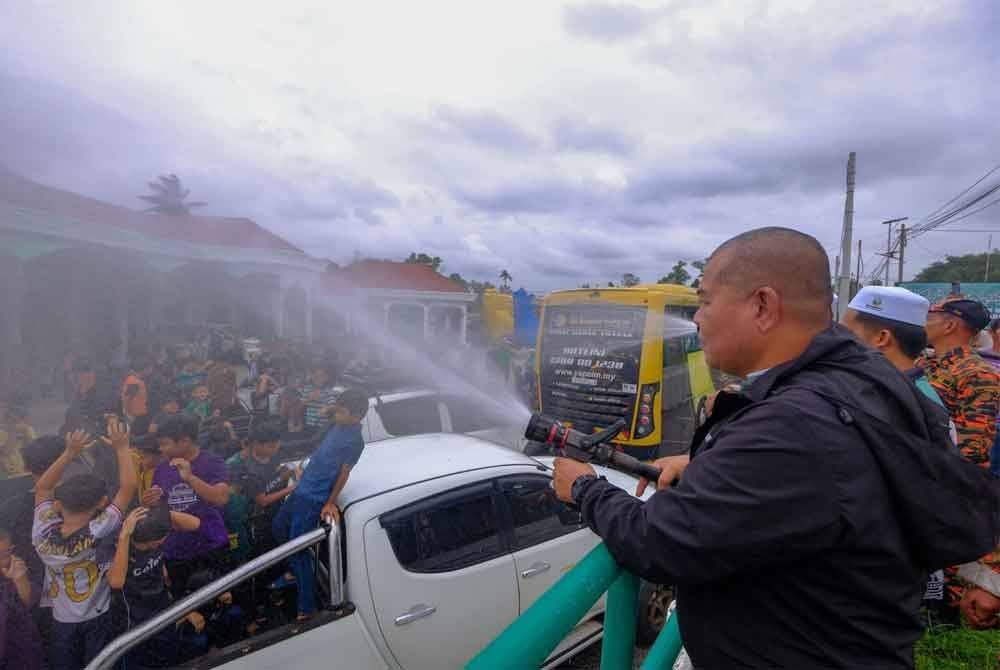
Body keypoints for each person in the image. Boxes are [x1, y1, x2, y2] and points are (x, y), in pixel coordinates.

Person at [551, 227, 998, 668]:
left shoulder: (793, 425)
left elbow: (661, 542)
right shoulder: (862, 378)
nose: (697, 319)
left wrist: (586, 488)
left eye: (705, 301)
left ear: (763, 305)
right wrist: (712, 467)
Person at [32, 420, 136, 670]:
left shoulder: (42, 532)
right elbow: (128, 487)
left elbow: (43, 487)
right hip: (97, 617)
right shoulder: (100, 528)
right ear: (101, 502)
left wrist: (68, 453)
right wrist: (122, 449)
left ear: (59, 503)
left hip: (61, 621)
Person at [272, 388, 368, 621]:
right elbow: (332, 410)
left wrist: (330, 503)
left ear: (356, 416)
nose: (337, 413)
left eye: (342, 411)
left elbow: (344, 473)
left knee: (298, 550)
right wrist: (332, 407)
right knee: (278, 528)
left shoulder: (355, 441)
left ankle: (306, 607)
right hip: (302, 487)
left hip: (313, 498)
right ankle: (296, 573)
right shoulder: (340, 422)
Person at [144, 413, 230, 597]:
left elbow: (221, 498)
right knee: (185, 608)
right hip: (176, 551)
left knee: (219, 601)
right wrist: (151, 501)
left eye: (165, 443)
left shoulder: (213, 463)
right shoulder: (161, 468)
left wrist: (190, 478)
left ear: (184, 441)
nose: (160, 449)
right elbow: (160, 509)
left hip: (210, 545)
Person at [107, 505, 201, 668]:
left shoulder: (154, 535)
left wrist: (158, 513)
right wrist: (124, 536)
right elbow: (116, 582)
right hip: (133, 624)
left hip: (162, 613)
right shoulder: (119, 545)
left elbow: (195, 523)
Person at [918, 297, 1000, 467]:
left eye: (928, 319)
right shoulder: (925, 363)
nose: (922, 325)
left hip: (948, 476)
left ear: (949, 326)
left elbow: (973, 448)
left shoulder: (977, 374)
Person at [229, 422, 297, 555]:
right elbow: (262, 500)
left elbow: (270, 480)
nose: (275, 449)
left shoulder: (269, 456)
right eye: (272, 446)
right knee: (251, 552)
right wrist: (292, 488)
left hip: (269, 515)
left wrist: (288, 472)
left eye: (277, 445)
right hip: (247, 520)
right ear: (257, 444)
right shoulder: (247, 469)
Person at [0, 527, 43, 670]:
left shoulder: (16, 570)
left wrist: (20, 580)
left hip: (20, 651)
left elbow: (28, 603)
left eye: (5, 554)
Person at [0, 397, 36, 478]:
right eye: (13, 421)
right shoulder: (2, 433)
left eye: (19, 420)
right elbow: (5, 452)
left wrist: (26, 434)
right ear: (7, 420)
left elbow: (34, 450)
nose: (17, 423)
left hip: (27, 473)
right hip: (9, 476)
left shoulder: (27, 430)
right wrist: (12, 432)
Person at [122, 358, 153, 427]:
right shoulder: (134, 382)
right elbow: (127, 398)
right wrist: (127, 414)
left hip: (138, 415)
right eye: (150, 368)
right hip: (134, 416)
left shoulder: (137, 380)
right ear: (144, 369)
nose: (151, 371)